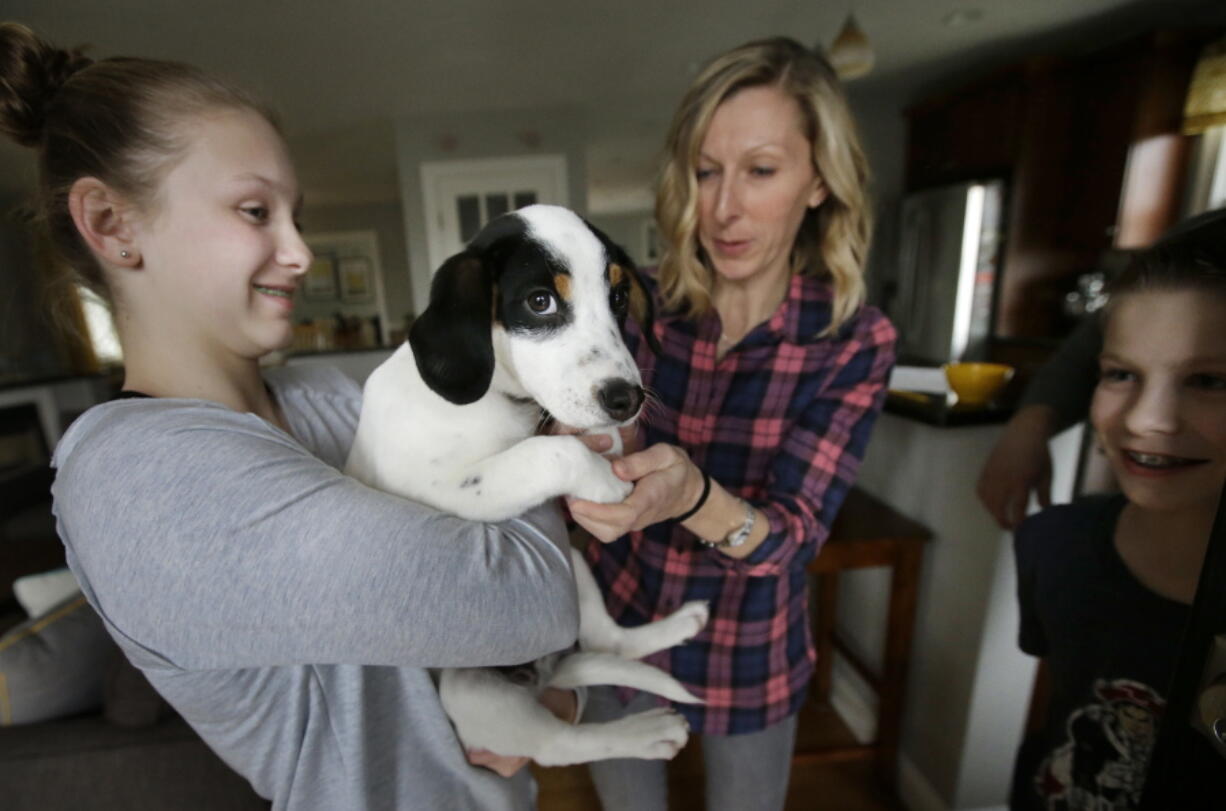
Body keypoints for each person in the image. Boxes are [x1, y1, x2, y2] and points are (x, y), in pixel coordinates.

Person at [0, 23, 581, 810]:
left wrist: (547, 695)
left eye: (294, 214)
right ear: (111, 224)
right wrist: (548, 458)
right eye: (254, 211)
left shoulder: (327, 396)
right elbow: (534, 600)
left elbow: (535, 623)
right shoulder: (137, 480)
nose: (300, 250)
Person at [567, 37, 897, 811]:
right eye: (707, 171)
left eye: (761, 170)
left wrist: (689, 493)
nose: (723, 208)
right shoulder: (633, 305)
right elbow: (579, 433)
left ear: (818, 180)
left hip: (750, 653)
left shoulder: (852, 342)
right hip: (617, 630)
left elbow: (793, 541)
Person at [1009, 212, 1226, 809]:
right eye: (1121, 374)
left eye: (1209, 380)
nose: (1142, 420)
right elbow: (1061, 716)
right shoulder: (1054, 546)